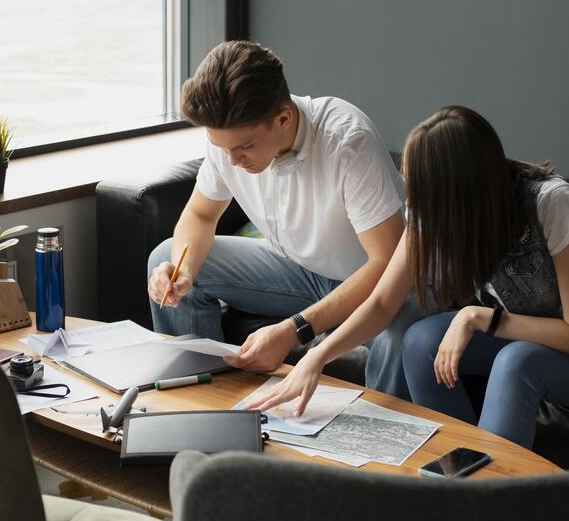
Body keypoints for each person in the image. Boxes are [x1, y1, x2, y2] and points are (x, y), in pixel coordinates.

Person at [248, 105, 569, 449]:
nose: (411, 204)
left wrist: (477, 317)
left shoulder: (551, 204)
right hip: (526, 340)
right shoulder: (433, 211)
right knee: (421, 340)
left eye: (420, 191)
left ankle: (488, 497)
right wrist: (316, 356)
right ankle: (457, 465)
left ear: (458, 193)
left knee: (517, 361)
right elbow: (384, 302)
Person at [146, 40, 423, 399]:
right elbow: (200, 215)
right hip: (300, 271)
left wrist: (295, 330)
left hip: (375, 282)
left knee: (400, 336)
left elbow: (386, 265)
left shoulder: (346, 141)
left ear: (283, 118)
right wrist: (182, 268)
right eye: (221, 147)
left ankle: (380, 439)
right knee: (165, 256)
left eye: (244, 147)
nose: (232, 161)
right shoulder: (230, 143)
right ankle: (204, 401)